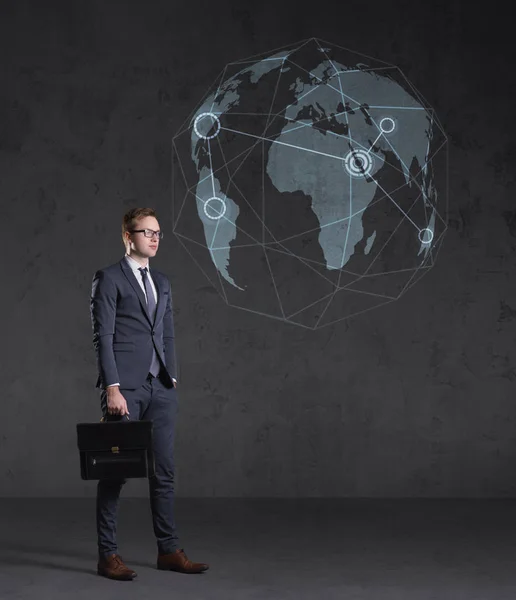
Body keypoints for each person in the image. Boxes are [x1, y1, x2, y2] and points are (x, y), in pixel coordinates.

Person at [90, 207, 209, 581]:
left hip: (160, 388)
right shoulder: (108, 279)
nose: (155, 238)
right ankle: (108, 555)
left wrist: (171, 376)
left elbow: (167, 333)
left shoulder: (163, 281)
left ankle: (169, 550)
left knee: (165, 472)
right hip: (124, 389)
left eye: (158, 233)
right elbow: (102, 337)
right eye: (147, 232)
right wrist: (112, 387)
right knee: (116, 474)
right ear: (129, 236)